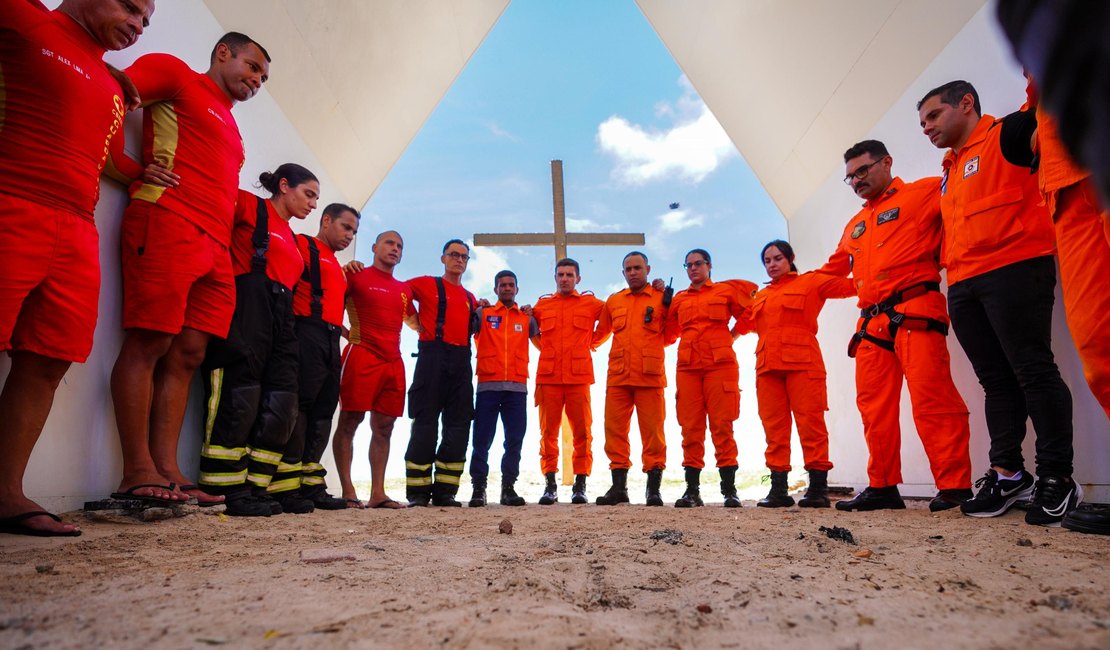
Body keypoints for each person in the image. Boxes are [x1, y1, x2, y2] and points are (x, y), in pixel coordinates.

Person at [0, 0, 155, 537]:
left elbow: (110, 156)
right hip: (11, 201)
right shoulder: (23, 17)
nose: (137, 25)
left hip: (77, 228)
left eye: (146, 21)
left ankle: (5, 493)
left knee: (47, 360)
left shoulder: (113, 85)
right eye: (131, 8)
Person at [107, 32, 271, 508]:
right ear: (223, 52)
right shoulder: (177, 75)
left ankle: (168, 469)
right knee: (149, 341)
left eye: (263, 76)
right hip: (167, 220)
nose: (257, 79)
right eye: (253, 65)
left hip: (215, 248)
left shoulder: (235, 131)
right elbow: (110, 89)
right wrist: (126, 166)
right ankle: (135, 469)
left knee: (188, 354)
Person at [918, 80, 1079, 525]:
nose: (926, 127)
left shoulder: (1009, 132)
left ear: (966, 103)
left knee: (1033, 369)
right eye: (922, 122)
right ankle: (1008, 474)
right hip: (965, 284)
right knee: (995, 381)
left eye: (933, 116)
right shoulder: (948, 169)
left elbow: (1058, 133)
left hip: (1017, 267)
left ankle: (1057, 477)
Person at [819, 140, 975, 513]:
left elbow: (962, 215)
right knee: (874, 409)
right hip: (872, 325)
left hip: (916, 309)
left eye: (863, 171)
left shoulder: (924, 192)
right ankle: (882, 486)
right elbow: (833, 272)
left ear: (886, 162)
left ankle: (954, 487)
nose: (856, 180)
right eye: (850, 177)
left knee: (933, 399)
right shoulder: (855, 224)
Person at [197, 164, 318, 517]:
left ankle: (256, 487)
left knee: (283, 402)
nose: (312, 204)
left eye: (315, 198)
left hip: (282, 317)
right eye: (308, 194)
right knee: (240, 395)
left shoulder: (295, 242)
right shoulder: (249, 206)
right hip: (247, 307)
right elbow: (210, 213)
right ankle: (224, 487)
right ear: (284, 186)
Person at [735, 241, 853, 509]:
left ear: (790, 259)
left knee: (811, 424)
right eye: (767, 261)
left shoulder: (811, 282)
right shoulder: (761, 296)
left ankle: (818, 489)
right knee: (773, 428)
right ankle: (778, 489)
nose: (772, 264)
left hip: (803, 364)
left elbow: (850, 287)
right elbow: (745, 324)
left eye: (777, 258)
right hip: (767, 368)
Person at [276, 204, 360, 511]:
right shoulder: (302, 245)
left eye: (353, 231)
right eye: (345, 227)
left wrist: (344, 331)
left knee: (325, 409)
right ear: (326, 221)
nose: (349, 235)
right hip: (304, 334)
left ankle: (311, 483)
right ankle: (286, 486)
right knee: (301, 406)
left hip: (329, 339)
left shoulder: (338, 268)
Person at [664, 249, 757, 508]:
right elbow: (667, 334)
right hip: (688, 367)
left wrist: (733, 335)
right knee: (690, 428)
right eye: (688, 265)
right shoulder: (679, 299)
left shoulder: (725, 292)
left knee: (722, 425)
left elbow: (749, 314)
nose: (693, 268)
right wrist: (661, 304)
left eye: (698, 263)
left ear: (709, 265)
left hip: (720, 366)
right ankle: (692, 492)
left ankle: (729, 491)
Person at [331, 231, 413, 509]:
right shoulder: (354, 275)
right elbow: (329, 307)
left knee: (385, 427)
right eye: (389, 243)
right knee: (350, 421)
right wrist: (348, 334)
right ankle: (348, 490)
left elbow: (415, 322)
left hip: (394, 361)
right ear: (374, 246)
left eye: (400, 246)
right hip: (362, 355)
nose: (395, 248)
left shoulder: (404, 288)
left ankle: (378, 492)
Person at [592, 252, 675, 506]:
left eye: (637, 268)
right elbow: (600, 334)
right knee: (614, 432)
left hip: (650, 377)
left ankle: (653, 489)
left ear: (648, 269)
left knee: (653, 433)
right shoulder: (614, 301)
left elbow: (671, 335)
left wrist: (668, 302)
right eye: (628, 269)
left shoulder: (663, 298)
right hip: (618, 378)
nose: (633, 272)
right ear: (623, 273)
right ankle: (619, 489)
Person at [404, 240, 479, 507]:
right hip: (431, 358)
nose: (459, 260)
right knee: (424, 424)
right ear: (443, 258)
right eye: (454, 255)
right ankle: (417, 493)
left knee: (459, 426)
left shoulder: (471, 298)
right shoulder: (425, 283)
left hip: (461, 362)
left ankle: (446, 491)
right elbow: (398, 292)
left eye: (463, 257)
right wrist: (413, 321)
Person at [531, 258, 606, 505]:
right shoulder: (542, 306)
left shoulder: (591, 303)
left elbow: (611, 317)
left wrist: (591, 343)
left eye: (569, 275)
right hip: (549, 378)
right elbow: (531, 330)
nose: (565, 278)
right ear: (555, 278)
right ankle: (550, 486)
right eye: (561, 274)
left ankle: (580, 485)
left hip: (578, 378)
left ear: (578, 279)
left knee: (583, 433)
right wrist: (547, 349)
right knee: (547, 434)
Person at [467, 270, 537, 507]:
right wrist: (475, 305)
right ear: (496, 289)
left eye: (511, 285)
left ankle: (508, 488)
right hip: (488, 387)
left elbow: (545, 340)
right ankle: (479, 488)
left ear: (517, 289)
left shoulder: (527, 318)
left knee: (514, 439)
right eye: (502, 285)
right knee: (481, 439)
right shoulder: (483, 313)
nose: (507, 288)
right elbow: (464, 326)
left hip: (517, 389)